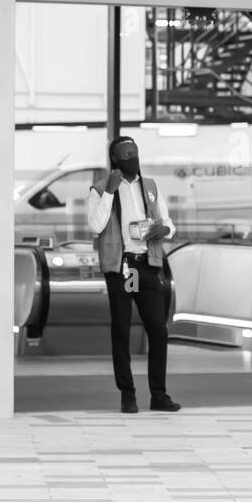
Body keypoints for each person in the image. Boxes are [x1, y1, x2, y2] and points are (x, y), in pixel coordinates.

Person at [86, 136, 180, 414]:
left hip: (147, 264)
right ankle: (128, 394)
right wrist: (110, 192)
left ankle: (159, 395)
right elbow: (96, 226)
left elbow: (168, 221)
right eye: (126, 154)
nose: (132, 157)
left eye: (135, 152)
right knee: (122, 330)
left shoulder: (149, 186)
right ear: (115, 159)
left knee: (158, 330)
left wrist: (166, 231)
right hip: (122, 267)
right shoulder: (100, 189)